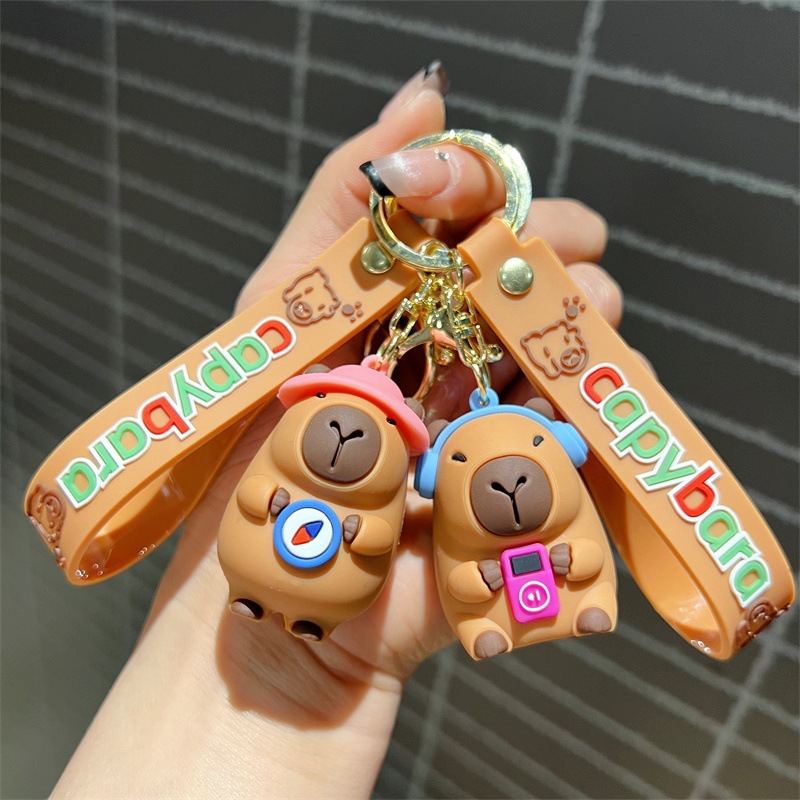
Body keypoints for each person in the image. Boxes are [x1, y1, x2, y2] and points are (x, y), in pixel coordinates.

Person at [51, 63, 622, 799]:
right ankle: (274, 611)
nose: (350, 438)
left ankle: (323, 626)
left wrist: (363, 537)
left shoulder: (394, 505)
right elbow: (258, 501)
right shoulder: (287, 462)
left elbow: (375, 536)